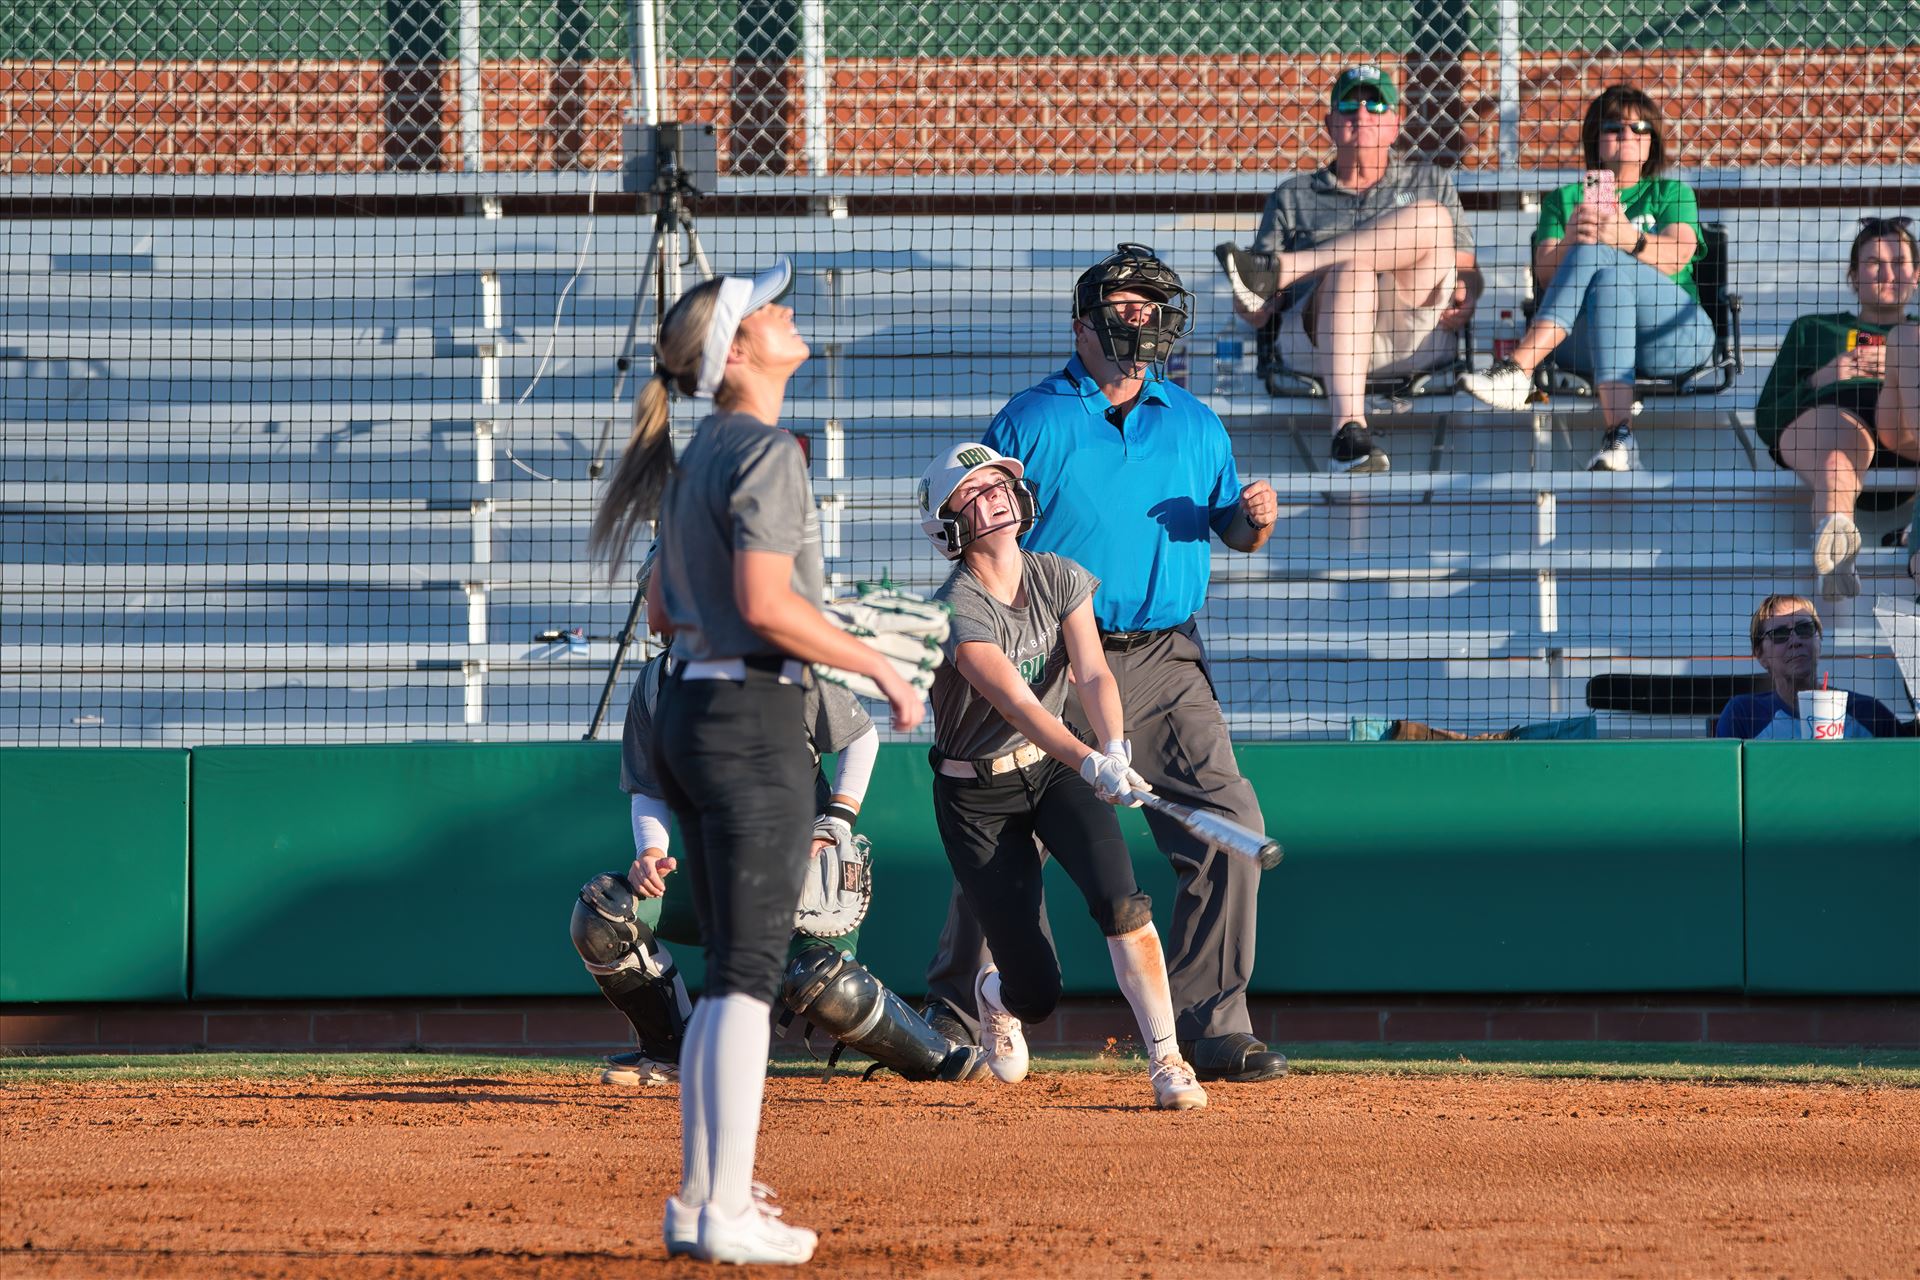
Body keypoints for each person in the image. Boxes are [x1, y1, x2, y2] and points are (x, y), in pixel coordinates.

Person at [586, 258, 923, 1266]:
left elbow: (674, 611)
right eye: (766, 307)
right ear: (736, 352)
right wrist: (885, 669)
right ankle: (721, 1204)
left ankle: (704, 1198)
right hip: (749, 715)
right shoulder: (766, 448)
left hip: (697, 706)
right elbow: (772, 607)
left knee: (734, 971)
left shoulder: (698, 455)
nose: (787, 310)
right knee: (743, 976)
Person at [922, 244, 1289, 1087]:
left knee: (1226, 822)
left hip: (1167, 656)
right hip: (1054, 653)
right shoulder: (1031, 419)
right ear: (1083, 323)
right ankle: (952, 1012)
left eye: (1152, 306)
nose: (1141, 320)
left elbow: (1233, 532)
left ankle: (1214, 1028)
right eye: (1124, 306)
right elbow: (985, 537)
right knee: (1011, 838)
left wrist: (1254, 519)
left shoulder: (1196, 421)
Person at [917, 441, 1207, 1112]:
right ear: (950, 524)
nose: (994, 495)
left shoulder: (1058, 575)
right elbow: (1016, 703)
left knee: (1123, 902)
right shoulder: (956, 609)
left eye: (1000, 484)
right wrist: (1091, 758)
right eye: (974, 491)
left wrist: (1115, 746)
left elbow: (1094, 672)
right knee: (1037, 993)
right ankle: (994, 996)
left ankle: (1168, 1061)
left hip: (1052, 771)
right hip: (975, 796)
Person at [568, 636, 984, 1091]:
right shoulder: (657, 681)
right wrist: (651, 852)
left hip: (803, 876)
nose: (656, 602)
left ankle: (941, 1056)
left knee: (823, 982)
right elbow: (649, 787)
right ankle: (672, 1054)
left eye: (668, 584)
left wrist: (836, 820)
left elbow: (861, 738)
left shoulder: (787, 659)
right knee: (604, 913)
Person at [1228, 63, 1481, 474]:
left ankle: (1286, 267)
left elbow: (1467, 272)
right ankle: (1348, 432)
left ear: (1396, 122)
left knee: (1431, 216)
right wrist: (1252, 304)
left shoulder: (1429, 181)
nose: (1361, 113)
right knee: (1353, 272)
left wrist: (1467, 294)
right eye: (1349, 103)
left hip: (1412, 335)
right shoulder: (1293, 196)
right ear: (1329, 122)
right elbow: (1255, 307)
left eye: (1375, 104)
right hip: (1319, 342)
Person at [1461, 84, 1714, 472]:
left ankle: (1518, 369)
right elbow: (1545, 273)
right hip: (1586, 344)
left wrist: (1629, 239)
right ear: (1596, 138)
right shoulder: (1565, 199)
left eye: (1639, 127)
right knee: (1605, 270)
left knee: (1603, 256)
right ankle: (1620, 437)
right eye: (1614, 127)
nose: (1626, 135)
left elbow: (1678, 254)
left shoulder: (1671, 192)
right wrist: (1572, 242)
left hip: (1672, 336)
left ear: (1653, 141)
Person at [1753, 218, 1920, 599]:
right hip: (1836, 428)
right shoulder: (1812, 329)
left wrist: (1898, 365)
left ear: (1917, 274)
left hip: (1905, 433)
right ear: (1853, 276)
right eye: (1875, 262)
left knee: (1908, 339)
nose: (1888, 272)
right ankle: (1836, 541)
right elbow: (1766, 420)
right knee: (1836, 446)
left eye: (1899, 261)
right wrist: (1823, 378)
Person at [1713, 594, 1903, 739]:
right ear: (1760, 655)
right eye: (1779, 634)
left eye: (1804, 629)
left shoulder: (1868, 712)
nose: (1795, 641)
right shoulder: (1743, 714)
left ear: (1819, 641)